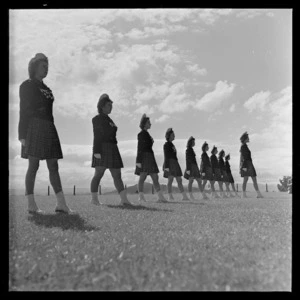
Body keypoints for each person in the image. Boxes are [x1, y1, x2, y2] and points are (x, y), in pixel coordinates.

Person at [18, 53, 72, 214]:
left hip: (49, 126)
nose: (46, 69)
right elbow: (23, 110)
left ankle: (61, 204)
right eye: (43, 66)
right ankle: (31, 204)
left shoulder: (47, 88)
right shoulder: (27, 85)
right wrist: (22, 134)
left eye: (47, 66)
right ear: (34, 67)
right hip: (34, 125)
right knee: (33, 165)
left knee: (53, 165)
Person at [90, 94, 133, 206]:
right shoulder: (97, 119)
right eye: (108, 105)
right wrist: (96, 152)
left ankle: (124, 200)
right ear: (102, 106)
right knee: (98, 174)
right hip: (102, 148)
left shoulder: (110, 120)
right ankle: (94, 200)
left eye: (111, 105)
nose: (111, 107)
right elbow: (97, 135)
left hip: (113, 148)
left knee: (117, 175)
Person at [135, 114, 168, 203]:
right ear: (144, 124)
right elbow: (140, 147)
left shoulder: (147, 134)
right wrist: (138, 161)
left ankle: (160, 197)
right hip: (144, 156)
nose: (150, 124)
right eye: (149, 123)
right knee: (143, 177)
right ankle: (141, 197)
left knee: (155, 177)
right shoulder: (141, 134)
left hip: (150, 156)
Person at [163, 128, 189, 201]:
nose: (174, 136)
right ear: (169, 135)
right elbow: (166, 155)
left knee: (179, 179)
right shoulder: (166, 144)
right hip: (169, 163)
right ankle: (170, 196)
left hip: (175, 163)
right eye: (173, 134)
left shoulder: (172, 144)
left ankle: (184, 196)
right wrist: (166, 166)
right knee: (170, 179)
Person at [239, 132, 264, 198]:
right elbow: (241, 158)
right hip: (246, 164)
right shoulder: (243, 147)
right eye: (248, 138)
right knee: (247, 179)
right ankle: (245, 194)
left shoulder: (245, 146)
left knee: (251, 179)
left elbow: (242, 157)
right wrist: (241, 167)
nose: (249, 139)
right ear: (245, 139)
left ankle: (258, 194)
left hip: (249, 164)